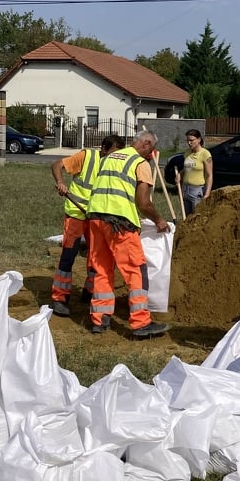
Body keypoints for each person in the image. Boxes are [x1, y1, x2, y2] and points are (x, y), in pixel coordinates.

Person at [85, 129, 171, 337]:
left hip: (96, 218)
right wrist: (159, 220)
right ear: (146, 144)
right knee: (135, 270)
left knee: (102, 269)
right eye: (152, 149)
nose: (151, 154)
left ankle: (99, 319)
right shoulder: (140, 164)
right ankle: (141, 323)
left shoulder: (110, 157)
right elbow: (143, 203)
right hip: (119, 222)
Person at [49, 134, 126, 317]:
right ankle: (59, 298)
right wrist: (61, 182)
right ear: (104, 149)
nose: (114, 157)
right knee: (69, 254)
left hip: (97, 216)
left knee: (97, 258)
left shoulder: (117, 164)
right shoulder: (87, 157)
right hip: (76, 214)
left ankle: (90, 291)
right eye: (112, 153)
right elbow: (57, 165)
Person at [174, 129, 213, 216]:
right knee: (186, 217)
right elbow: (188, 168)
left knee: (197, 217)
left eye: (191, 140)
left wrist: (207, 193)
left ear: (199, 140)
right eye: (187, 140)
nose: (189, 143)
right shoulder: (187, 153)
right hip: (185, 189)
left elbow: (209, 175)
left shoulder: (205, 154)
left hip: (196, 191)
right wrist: (180, 174)